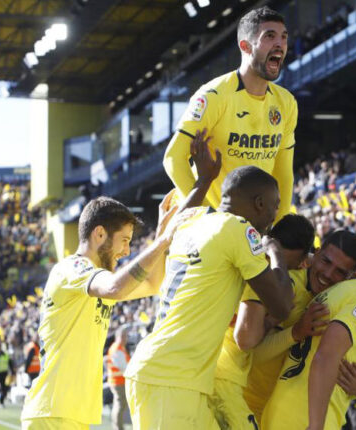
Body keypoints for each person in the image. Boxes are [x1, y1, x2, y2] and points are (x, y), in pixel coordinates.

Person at [21, 133, 221, 429]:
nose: (127, 250)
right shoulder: (72, 269)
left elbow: (152, 284)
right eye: (124, 240)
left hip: (68, 414)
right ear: (99, 234)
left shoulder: (93, 279)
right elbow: (115, 287)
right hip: (52, 412)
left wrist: (162, 238)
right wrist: (162, 240)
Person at [124, 166, 295, 430]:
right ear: (260, 204)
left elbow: (180, 215)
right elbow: (282, 307)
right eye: (275, 206)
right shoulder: (239, 229)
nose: (275, 215)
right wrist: (276, 254)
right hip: (171, 380)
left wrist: (205, 179)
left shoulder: (192, 221)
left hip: (174, 376)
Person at [164, 6, 297, 223]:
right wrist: (207, 217)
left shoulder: (286, 103)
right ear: (245, 46)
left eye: (283, 37)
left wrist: (279, 226)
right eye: (269, 36)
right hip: (207, 228)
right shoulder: (214, 95)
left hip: (253, 227)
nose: (280, 44)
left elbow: (283, 173)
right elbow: (173, 158)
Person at [243, 229, 356, 424]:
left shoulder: (345, 309)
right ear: (317, 253)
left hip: (280, 418)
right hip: (244, 405)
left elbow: (344, 372)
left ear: (350, 278)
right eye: (326, 261)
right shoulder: (288, 287)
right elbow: (249, 352)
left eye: (340, 271)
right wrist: (295, 332)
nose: (328, 274)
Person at [210, 214, 315, 430]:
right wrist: (272, 321)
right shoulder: (263, 269)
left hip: (218, 372)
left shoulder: (247, 255)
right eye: (299, 261)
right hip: (225, 378)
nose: (301, 266)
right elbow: (246, 339)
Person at [106, 326, 130, 430]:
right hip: (118, 382)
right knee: (119, 405)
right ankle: (118, 427)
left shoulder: (120, 348)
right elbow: (124, 367)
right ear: (117, 337)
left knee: (120, 405)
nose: (125, 339)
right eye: (122, 336)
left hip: (119, 381)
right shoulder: (117, 349)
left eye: (125, 336)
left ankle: (118, 426)